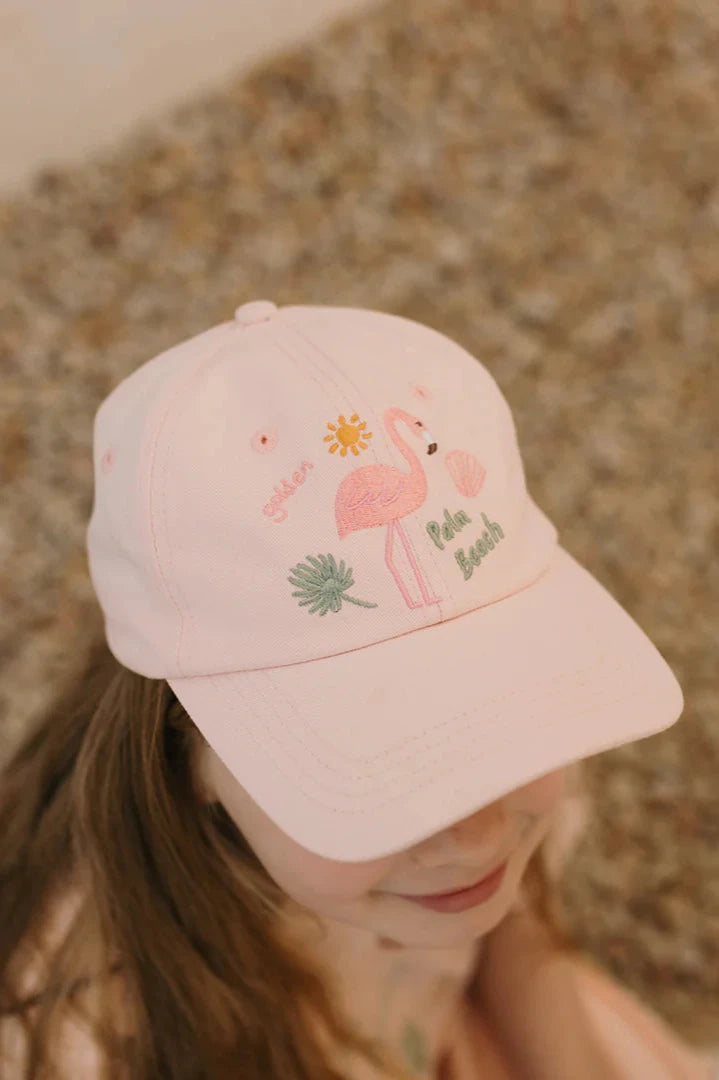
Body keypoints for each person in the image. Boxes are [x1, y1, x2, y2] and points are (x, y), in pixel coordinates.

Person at [1, 300, 716, 1079]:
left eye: (500, 722)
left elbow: (522, 948)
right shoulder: (84, 1033)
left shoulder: (439, 860)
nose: (477, 837)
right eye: (388, 767)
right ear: (185, 748)